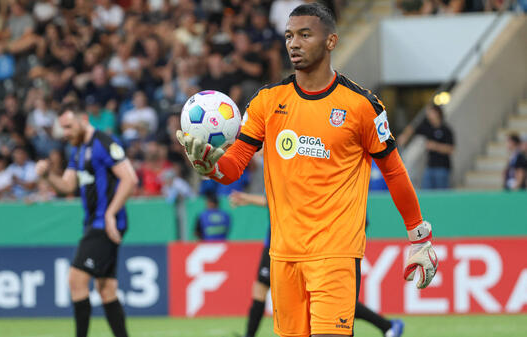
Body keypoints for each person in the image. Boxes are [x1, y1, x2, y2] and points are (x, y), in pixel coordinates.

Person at [177, 3, 438, 337]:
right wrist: (207, 166)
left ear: (331, 41)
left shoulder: (361, 106)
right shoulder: (267, 102)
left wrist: (419, 237)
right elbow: (233, 167)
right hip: (283, 258)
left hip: (335, 254)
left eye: (304, 35)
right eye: (288, 36)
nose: (293, 43)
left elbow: (395, 172)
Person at [229, 191, 405, 337]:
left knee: (327, 299)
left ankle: (386, 325)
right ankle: (387, 325)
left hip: (308, 245)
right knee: (263, 289)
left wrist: (247, 199)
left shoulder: (320, 170)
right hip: (282, 244)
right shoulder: (283, 163)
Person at [35, 103, 138, 337]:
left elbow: (129, 179)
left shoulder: (103, 142)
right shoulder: (78, 150)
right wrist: (47, 175)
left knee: (75, 280)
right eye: (63, 129)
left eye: (69, 127)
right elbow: (67, 186)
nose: (66, 133)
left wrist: (111, 213)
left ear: (83, 119)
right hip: (94, 224)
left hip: (105, 224)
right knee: (106, 289)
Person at [397, 104, 454, 189]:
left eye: (430, 112)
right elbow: (413, 128)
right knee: (426, 191)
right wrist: (404, 136)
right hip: (430, 166)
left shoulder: (446, 130)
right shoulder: (428, 128)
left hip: (442, 167)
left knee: (441, 195)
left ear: (437, 113)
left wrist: (435, 146)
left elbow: (451, 149)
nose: (428, 115)